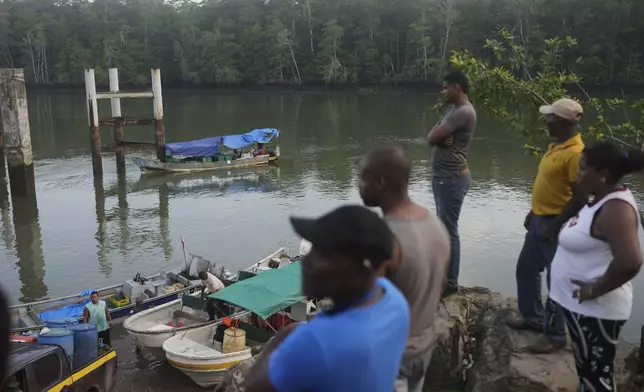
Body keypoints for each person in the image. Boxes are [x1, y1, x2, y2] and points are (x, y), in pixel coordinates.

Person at [245, 205, 410, 392]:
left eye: (321, 254)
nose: (306, 261)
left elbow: (253, 386)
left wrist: (283, 335)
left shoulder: (316, 342)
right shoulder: (394, 301)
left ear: (355, 267)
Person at [550, 141, 644, 391]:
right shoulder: (601, 199)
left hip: (596, 312)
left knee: (596, 381)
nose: (577, 174)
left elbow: (631, 262)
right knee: (588, 375)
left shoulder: (616, 209)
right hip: (583, 310)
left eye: (583, 169)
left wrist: (594, 289)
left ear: (602, 175)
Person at [358, 144, 450, 392]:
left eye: (362, 178)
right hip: (423, 348)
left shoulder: (383, 238)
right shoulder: (435, 226)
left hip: (391, 357)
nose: (359, 185)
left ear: (380, 183)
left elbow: (367, 311)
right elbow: (439, 288)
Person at [506, 98, 587, 354]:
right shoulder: (557, 147)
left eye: (550, 117)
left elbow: (580, 197)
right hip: (540, 220)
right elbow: (552, 187)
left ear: (561, 121)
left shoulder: (575, 154)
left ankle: (555, 335)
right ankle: (533, 318)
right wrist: (534, 211)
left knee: (557, 282)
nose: (546, 120)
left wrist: (556, 226)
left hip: (556, 223)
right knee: (526, 270)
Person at [427, 70, 477, 296]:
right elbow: (432, 135)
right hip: (445, 179)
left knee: (448, 231)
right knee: (444, 229)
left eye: (446, 87)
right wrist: (436, 137)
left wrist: (437, 137)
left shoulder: (463, 112)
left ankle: (449, 283)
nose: (442, 90)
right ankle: (445, 278)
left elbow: (432, 138)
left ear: (458, 87)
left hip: (452, 178)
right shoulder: (453, 111)